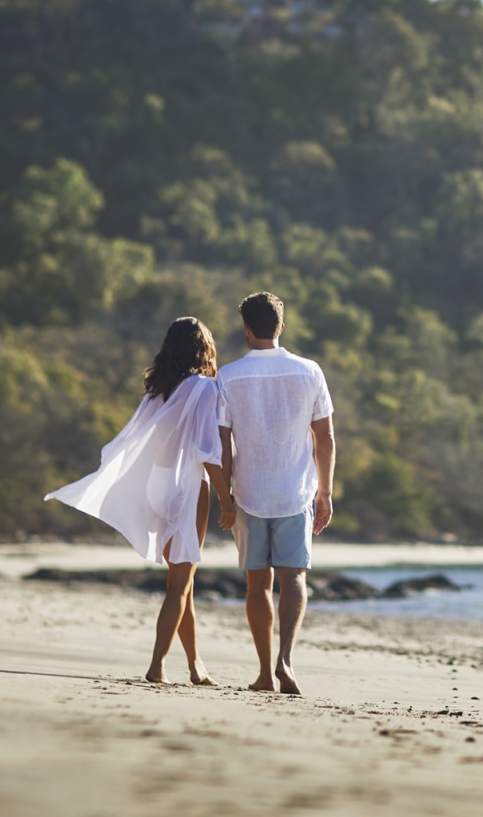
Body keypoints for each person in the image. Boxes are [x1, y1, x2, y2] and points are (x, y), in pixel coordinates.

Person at [44, 317, 225, 686]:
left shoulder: (157, 389)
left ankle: (195, 665)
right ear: (203, 349)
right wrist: (228, 497)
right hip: (187, 486)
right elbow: (207, 451)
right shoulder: (204, 389)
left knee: (183, 580)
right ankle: (157, 665)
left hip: (158, 486)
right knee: (180, 582)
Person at [212, 291, 335, 695]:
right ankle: (286, 660)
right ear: (281, 327)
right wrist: (325, 493)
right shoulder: (310, 371)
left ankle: (265, 673)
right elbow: (326, 438)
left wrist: (225, 498)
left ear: (246, 329)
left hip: (248, 492)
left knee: (257, 585)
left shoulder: (227, 376)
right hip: (295, 491)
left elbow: (221, 442)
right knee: (294, 578)